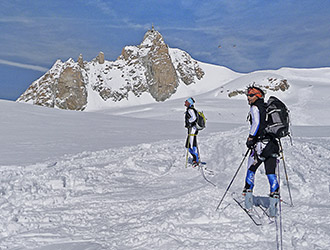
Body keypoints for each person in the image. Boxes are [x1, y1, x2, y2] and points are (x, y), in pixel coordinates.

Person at [243, 86, 280, 216]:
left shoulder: (255, 108)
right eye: (247, 95)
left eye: (251, 95)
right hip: (272, 144)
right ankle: (274, 204)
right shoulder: (267, 108)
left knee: (251, 169)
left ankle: (248, 202)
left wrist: (250, 138)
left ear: (258, 95)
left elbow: (256, 123)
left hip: (260, 145)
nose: (248, 97)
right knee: (271, 172)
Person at [184, 97, 200, 167]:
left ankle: (196, 160)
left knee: (191, 145)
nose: (185, 102)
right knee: (189, 145)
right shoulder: (190, 109)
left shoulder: (190, 110)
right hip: (192, 130)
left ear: (189, 103)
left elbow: (194, 118)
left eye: (186, 101)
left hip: (192, 130)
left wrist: (189, 123)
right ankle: (195, 158)